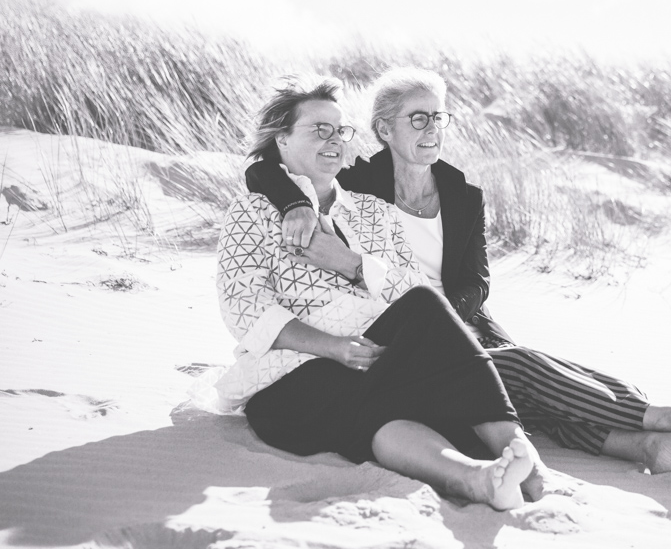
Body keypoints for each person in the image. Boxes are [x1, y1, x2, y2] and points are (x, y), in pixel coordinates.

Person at [245, 67, 671, 489]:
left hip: (459, 318)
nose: (433, 128)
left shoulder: (462, 194)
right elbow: (265, 169)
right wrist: (292, 203)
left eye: (440, 117)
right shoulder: (355, 184)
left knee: (517, 382)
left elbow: (477, 280)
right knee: (513, 372)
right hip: (396, 327)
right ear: (383, 129)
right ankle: (650, 421)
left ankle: (645, 445)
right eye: (418, 117)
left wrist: (449, 327)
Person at [200, 75, 541, 511]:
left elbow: (414, 290)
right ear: (281, 139)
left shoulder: (375, 212)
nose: (335, 140)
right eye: (318, 129)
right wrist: (334, 347)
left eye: (341, 130)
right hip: (289, 381)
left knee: (418, 320)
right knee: (377, 402)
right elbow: (243, 307)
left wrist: (355, 265)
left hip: (377, 360)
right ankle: (483, 473)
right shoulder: (252, 210)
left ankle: (503, 470)